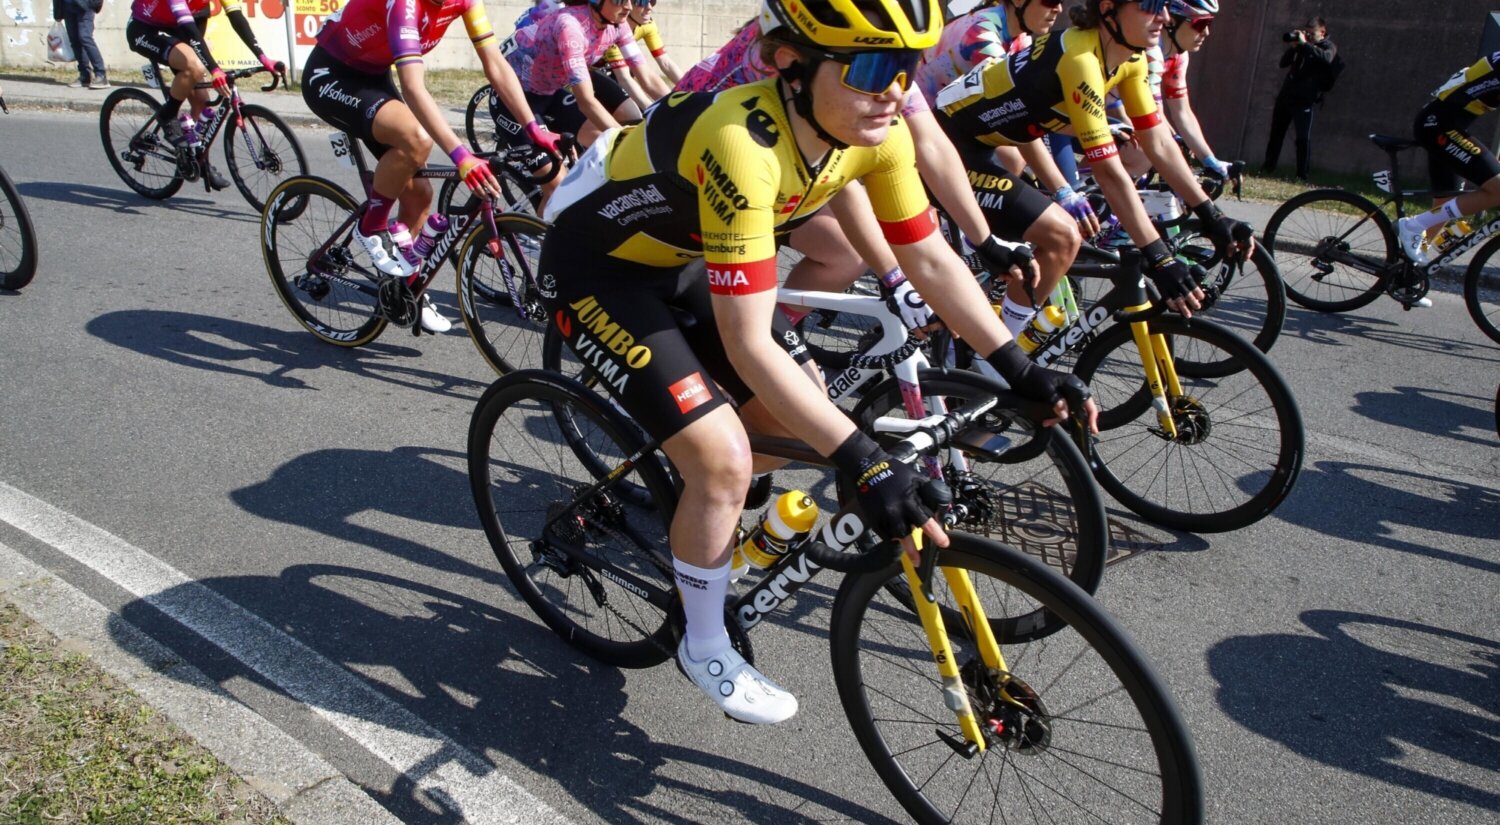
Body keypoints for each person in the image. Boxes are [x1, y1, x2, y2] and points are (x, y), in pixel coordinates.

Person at [537, 0, 1094, 724]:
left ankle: (696, 507)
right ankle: (701, 641)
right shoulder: (740, 142)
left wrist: (1019, 368)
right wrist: (865, 461)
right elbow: (748, 343)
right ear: (790, 66)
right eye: (872, 67)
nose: (893, 90)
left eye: (907, 67)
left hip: (682, 257)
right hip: (598, 267)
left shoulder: (872, 133)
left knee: (800, 409)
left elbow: (928, 257)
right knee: (725, 459)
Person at [936, 0, 1255, 321]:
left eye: (1164, 7)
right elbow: (1108, 172)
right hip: (949, 147)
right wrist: (1160, 258)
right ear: (1108, 8)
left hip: (989, 146)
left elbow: (1158, 142)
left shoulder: (1132, 60)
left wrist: (1212, 215)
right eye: (1150, 6)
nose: (1164, 17)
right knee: (1062, 236)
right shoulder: (1080, 59)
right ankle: (998, 348)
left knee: (1051, 239)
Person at [303, 0, 560, 334]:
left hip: (373, 77)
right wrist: (461, 156)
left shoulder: (465, 2)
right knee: (416, 139)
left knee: (420, 196)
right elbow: (413, 86)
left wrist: (533, 127)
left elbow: (495, 64)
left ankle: (404, 286)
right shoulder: (405, 5)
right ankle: (371, 227)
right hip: (330, 76)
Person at [491, 0, 667, 206]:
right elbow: (586, 101)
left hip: (550, 93)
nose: (628, 6)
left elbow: (648, 78)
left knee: (609, 149)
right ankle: (542, 225)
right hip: (512, 100)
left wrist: (683, 109)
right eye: (620, 0)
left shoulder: (618, 25)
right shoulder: (570, 26)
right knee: (558, 190)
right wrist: (628, 142)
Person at [126, 0, 281, 189]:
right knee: (195, 66)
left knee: (202, 102)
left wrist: (263, 58)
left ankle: (196, 158)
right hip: (146, 29)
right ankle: (168, 115)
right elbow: (190, 33)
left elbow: (237, 18)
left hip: (179, 28)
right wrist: (215, 70)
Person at [1395, 50, 1500, 273]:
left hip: (1439, 124)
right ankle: (1413, 226)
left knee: (1445, 203)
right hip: (1440, 127)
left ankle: (1406, 273)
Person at [1260, 16, 1335, 181]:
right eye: (1306, 33)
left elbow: (1326, 59)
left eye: (1312, 33)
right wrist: (1294, 47)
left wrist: (1305, 45)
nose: (1308, 36)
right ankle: (1268, 167)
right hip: (1286, 96)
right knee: (1276, 133)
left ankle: (1302, 174)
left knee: (1302, 138)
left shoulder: (1328, 47)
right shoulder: (1301, 47)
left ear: (1322, 32)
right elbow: (1283, 63)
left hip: (1304, 100)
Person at [601, 0, 682, 108]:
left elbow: (665, 62)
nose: (649, 7)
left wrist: (692, 92)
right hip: (595, 71)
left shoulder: (648, 25)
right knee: (632, 113)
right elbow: (624, 78)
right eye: (641, 2)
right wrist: (653, 110)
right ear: (627, 4)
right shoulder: (613, 30)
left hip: (614, 69)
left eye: (652, 1)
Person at [54, 0, 107, 89]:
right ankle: (85, 75)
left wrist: (94, 4)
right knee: (75, 41)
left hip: (85, 6)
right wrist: (57, 12)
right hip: (67, 7)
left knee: (85, 37)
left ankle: (101, 74)